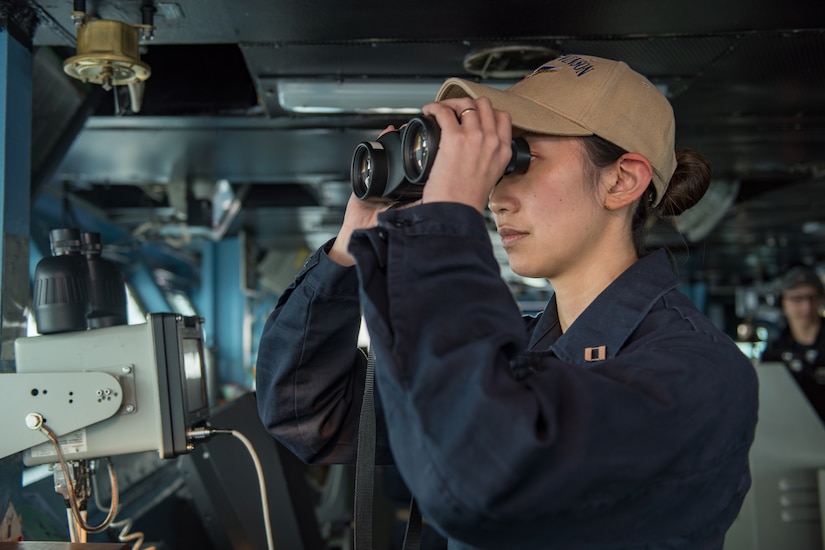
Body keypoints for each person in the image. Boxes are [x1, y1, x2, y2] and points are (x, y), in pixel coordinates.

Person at [256, 54, 759, 549]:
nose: (496, 197)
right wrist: (354, 242)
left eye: (521, 159)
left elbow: (487, 481)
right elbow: (308, 413)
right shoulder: (518, 350)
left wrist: (447, 223)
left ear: (622, 180)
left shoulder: (697, 373)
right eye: (497, 167)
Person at [761, 265, 825, 420]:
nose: (806, 307)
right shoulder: (774, 352)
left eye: (812, 298)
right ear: (782, 302)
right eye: (797, 299)